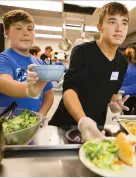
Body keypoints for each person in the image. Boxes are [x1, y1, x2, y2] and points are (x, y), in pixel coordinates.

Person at [47, 2, 130, 141]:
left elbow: (112, 91)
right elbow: (69, 89)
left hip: (96, 126)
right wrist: (82, 120)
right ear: (100, 28)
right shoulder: (83, 52)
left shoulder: (122, 62)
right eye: (112, 21)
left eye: (124, 23)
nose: (119, 28)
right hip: (67, 124)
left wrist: (116, 102)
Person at [0, 10, 54, 116]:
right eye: (19, 28)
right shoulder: (3, 59)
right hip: (9, 125)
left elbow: (49, 94)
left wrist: (41, 115)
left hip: (34, 123)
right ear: (6, 32)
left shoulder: (40, 63)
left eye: (30, 29)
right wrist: (29, 90)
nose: (26, 33)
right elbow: (4, 84)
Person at [120, 47, 136, 115]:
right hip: (135, 93)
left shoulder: (122, 66)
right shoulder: (134, 66)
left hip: (125, 94)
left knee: (125, 114)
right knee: (130, 112)